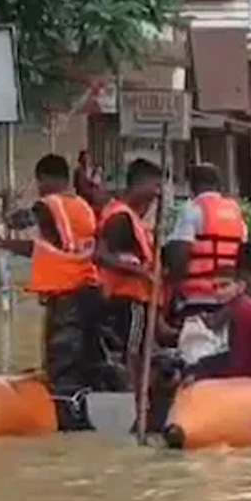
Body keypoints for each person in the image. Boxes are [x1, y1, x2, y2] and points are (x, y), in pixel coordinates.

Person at [0, 154, 105, 428]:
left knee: (62, 363)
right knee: (87, 361)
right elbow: (45, 249)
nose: (39, 189)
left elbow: (23, 221)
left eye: (40, 182)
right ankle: (89, 419)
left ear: (47, 179)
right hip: (90, 291)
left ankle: (64, 422)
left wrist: (3, 218)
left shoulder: (51, 205)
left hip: (67, 298)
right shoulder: (81, 207)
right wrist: (3, 241)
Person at [96, 159, 162, 390]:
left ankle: (137, 395)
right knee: (131, 353)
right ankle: (132, 396)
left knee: (135, 352)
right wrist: (142, 273)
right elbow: (101, 255)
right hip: (126, 299)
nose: (157, 194)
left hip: (129, 299)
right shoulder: (120, 216)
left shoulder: (132, 218)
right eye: (155, 186)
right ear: (140, 184)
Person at [165, 163, 248, 320]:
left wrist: (172, 288)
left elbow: (180, 253)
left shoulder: (193, 209)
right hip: (229, 295)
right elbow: (244, 253)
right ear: (219, 185)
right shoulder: (236, 213)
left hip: (197, 297)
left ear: (192, 186)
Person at [186, 267, 251, 381]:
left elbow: (239, 364)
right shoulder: (241, 306)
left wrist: (199, 376)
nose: (219, 292)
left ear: (241, 286)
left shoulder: (243, 312)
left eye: (224, 286)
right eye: (215, 287)